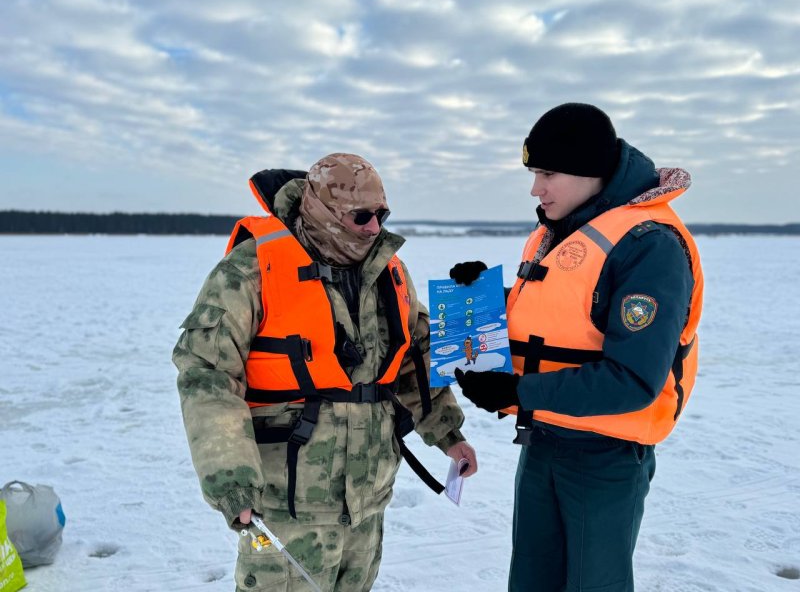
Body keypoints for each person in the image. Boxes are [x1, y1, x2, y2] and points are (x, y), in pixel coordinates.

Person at [173, 153, 477, 591]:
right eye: (361, 216)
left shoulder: (388, 271)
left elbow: (412, 361)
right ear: (323, 212)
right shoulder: (250, 270)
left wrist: (449, 434)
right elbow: (207, 376)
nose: (374, 228)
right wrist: (232, 482)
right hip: (286, 504)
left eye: (381, 215)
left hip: (367, 500)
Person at [450, 103, 703, 592]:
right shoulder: (561, 230)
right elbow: (556, 314)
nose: (535, 188)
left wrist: (518, 391)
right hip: (543, 441)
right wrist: (481, 298)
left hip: (604, 456)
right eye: (533, 173)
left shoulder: (649, 246)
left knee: (593, 584)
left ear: (591, 173)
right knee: (531, 580)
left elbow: (632, 380)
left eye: (548, 174)